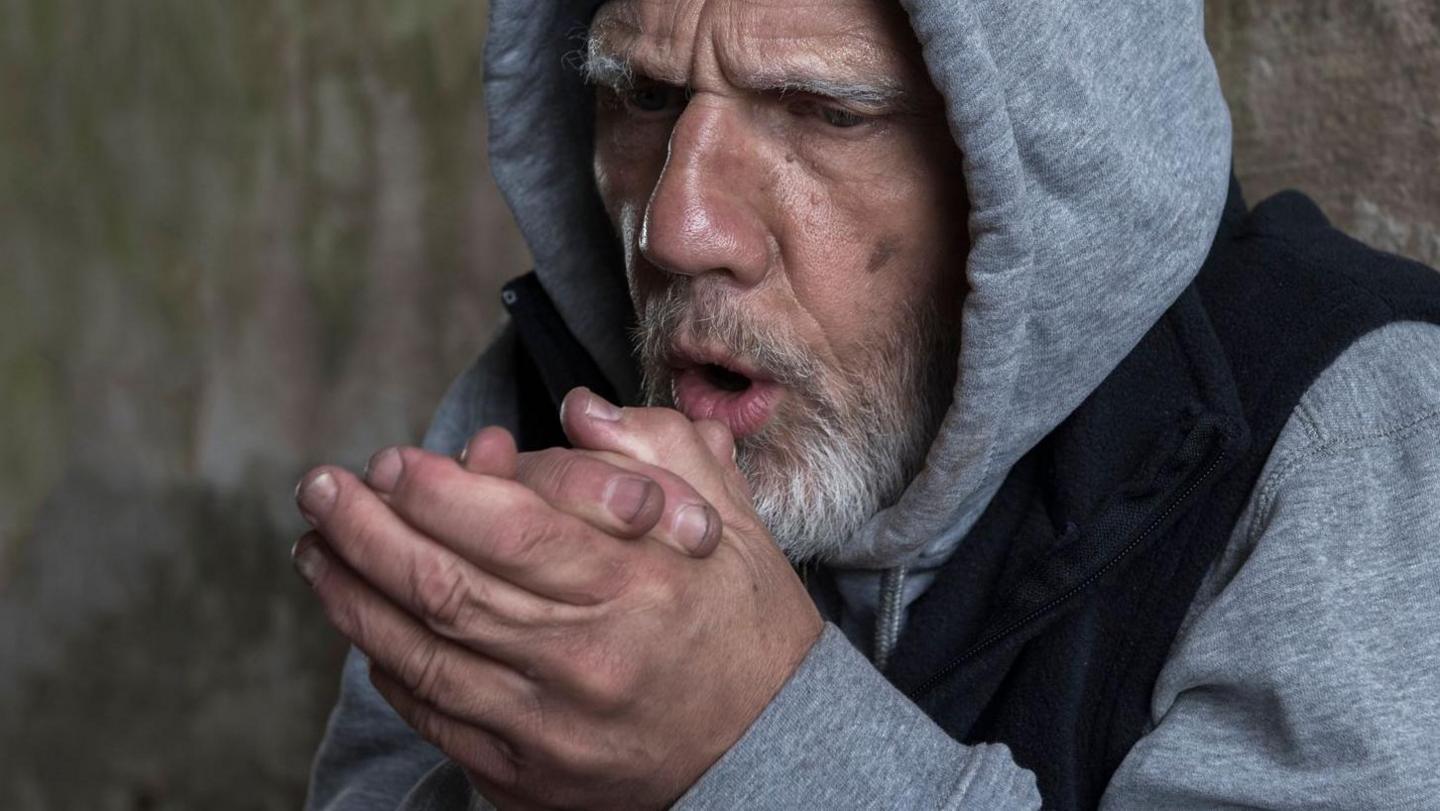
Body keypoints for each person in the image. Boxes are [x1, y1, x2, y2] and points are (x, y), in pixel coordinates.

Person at [294, 0, 1440, 808]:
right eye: (644, 94)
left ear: (1037, 160)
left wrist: (754, 741)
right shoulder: (550, 397)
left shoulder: (1356, 435)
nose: (680, 229)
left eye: (824, 111)